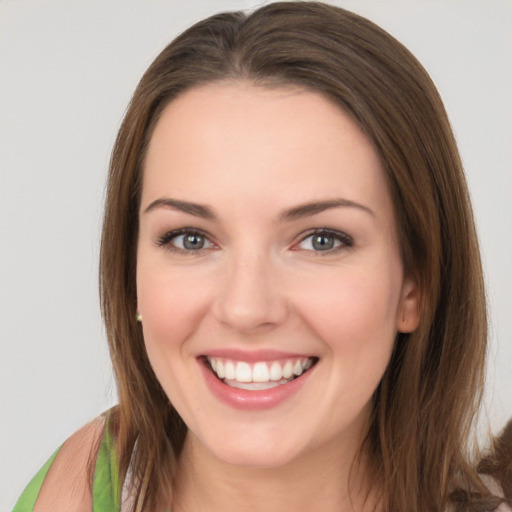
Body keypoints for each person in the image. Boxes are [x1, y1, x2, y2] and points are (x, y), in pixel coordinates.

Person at [12, 2, 511, 511]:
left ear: (415, 284)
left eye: (321, 240)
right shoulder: (85, 482)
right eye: (190, 239)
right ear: (132, 274)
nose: (246, 308)